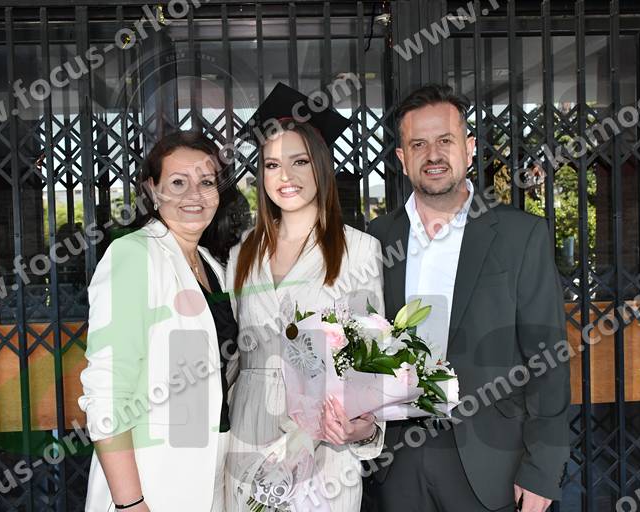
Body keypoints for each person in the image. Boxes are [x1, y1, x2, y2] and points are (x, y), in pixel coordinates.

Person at [363, 84, 570, 512]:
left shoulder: (520, 236)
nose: (433, 155)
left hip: (491, 463)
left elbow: (548, 359)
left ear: (469, 148)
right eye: (418, 144)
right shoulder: (376, 240)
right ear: (402, 158)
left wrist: (543, 468)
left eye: (445, 140)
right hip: (397, 463)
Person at [224, 83, 385, 511]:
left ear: (321, 167)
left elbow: (369, 361)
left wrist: (364, 428)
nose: (286, 176)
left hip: (322, 440)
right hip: (250, 428)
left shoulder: (358, 251)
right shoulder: (241, 255)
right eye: (272, 164)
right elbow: (234, 354)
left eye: (299, 161)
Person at [79, 131, 240, 511]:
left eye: (206, 182)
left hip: (211, 476)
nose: (194, 195)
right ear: (153, 191)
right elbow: (107, 391)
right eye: (178, 183)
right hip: (152, 479)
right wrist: (130, 503)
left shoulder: (213, 266)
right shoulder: (134, 256)